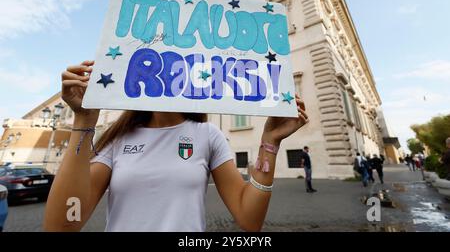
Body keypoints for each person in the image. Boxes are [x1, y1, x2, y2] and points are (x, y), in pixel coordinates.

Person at [43, 60, 310, 231]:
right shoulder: (119, 139)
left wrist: (269, 143)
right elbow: (63, 223)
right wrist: (84, 118)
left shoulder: (208, 135)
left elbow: (249, 220)